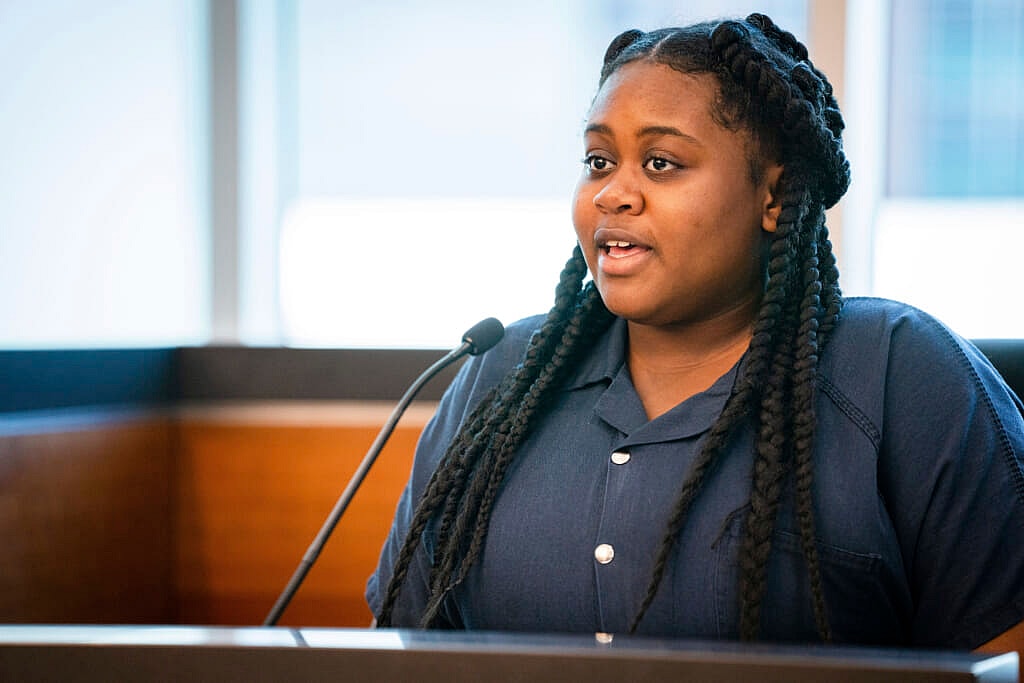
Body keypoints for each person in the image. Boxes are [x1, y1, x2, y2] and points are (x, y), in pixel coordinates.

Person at [366, 13, 1024, 648]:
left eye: (660, 163)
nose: (611, 194)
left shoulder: (901, 372)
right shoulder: (504, 373)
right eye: (598, 161)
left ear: (773, 196)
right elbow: (399, 650)